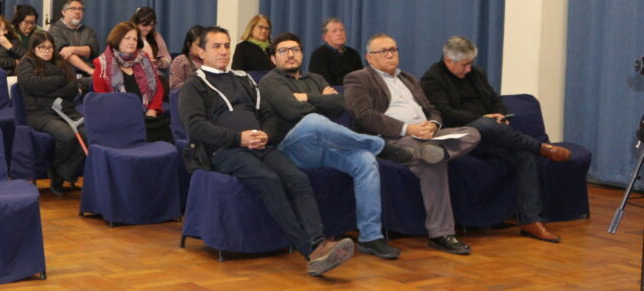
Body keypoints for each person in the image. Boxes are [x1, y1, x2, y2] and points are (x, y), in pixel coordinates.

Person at [178, 26, 354, 276]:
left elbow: (267, 115)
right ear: (201, 52)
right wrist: (238, 138)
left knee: (298, 179)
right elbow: (195, 126)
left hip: (261, 144)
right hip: (223, 150)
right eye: (216, 46)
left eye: (227, 45)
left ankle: (319, 242)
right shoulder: (194, 85)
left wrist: (266, 134)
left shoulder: (244, 78)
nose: (224, 51)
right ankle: (311, 251)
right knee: (269, 180)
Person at [260, 32, 438, 260]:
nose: (291, 54)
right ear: (274, 59)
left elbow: (340, 104)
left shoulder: (315, 78)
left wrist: (306, 98)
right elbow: (291, 111)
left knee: (365, 161)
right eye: (283, 51)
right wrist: (321, 100)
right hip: (292, 148)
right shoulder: (270, 81)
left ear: (302, 53)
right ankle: (379, 145)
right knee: (314, 121)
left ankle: (370, 237)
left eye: (295, 49)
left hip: (325, 145)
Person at [421, 36, 570, 243]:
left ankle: (530, 221)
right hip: (460, 138)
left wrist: (500, 115)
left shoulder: (476, 74)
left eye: (471, 63)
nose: (469, 69)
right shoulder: (432, 79)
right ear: (449, 62)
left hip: (490, 135)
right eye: (465, 65)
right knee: (484, 124)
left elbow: (495, 101)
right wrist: (481, 119)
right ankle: (540, 147)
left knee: (523, 156)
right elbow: (445, 114)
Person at [343, 33, 482, 255]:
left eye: (393, 49)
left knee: (473, 133)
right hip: (392, 139)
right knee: (433, 163)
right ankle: (441, 234)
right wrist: (408, 129)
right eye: (383, 51)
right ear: (369, 57)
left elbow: (432, 108)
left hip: (427, 136)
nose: (390, 54)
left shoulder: (408, 78)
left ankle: (433, 151)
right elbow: (364, 116)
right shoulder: (357, 78)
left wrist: (434, 125)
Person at [16, 30, 85, 196]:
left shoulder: (59, 61)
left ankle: (63, 172)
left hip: (66, 110)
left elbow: (73, 87)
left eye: (49, 47)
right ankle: (57, 174)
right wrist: (60, 81)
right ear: (33, 48)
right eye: (42, 47)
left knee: (89, 134)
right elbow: (32, 84)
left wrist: (47, 89)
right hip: (40, 113)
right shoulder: (26, 63)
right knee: (67, 135)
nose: (47, 51)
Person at [92, 21, 171, 142]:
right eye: (127, 38)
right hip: (119, 120)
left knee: (168, 132)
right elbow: (102, 99)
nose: (131, 42)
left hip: (148, 117)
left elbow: (158, 89)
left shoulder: (144, 59)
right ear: (117, 39)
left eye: (134, 39)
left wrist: (152, 110)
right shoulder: (102, 64)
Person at [48, 0, 97, 76]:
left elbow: (91, 51)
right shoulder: (55, 30)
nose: (77, 12)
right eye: (73, 9)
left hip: (88, 74)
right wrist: (89, 70)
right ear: (64, 12)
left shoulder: (88, 31)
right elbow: (65, 53)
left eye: (80, 9)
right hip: (66, 74)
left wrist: (72, 49)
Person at [308, 17, 364, 86]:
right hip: (330, 93)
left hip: (353, 91)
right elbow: (320, 83)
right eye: (334, 31)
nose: (339, 34)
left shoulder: (353, 54)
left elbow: (361, 78)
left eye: (342, 30)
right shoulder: (318, 55)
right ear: (325, 37)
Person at [169, 25, 206, 90]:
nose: (202, 48)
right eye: (199, 45)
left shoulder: (210, 61)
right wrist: (195, 83)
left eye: (204, 45)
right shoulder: (180, 61)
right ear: (189, 44)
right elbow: (174, 87)